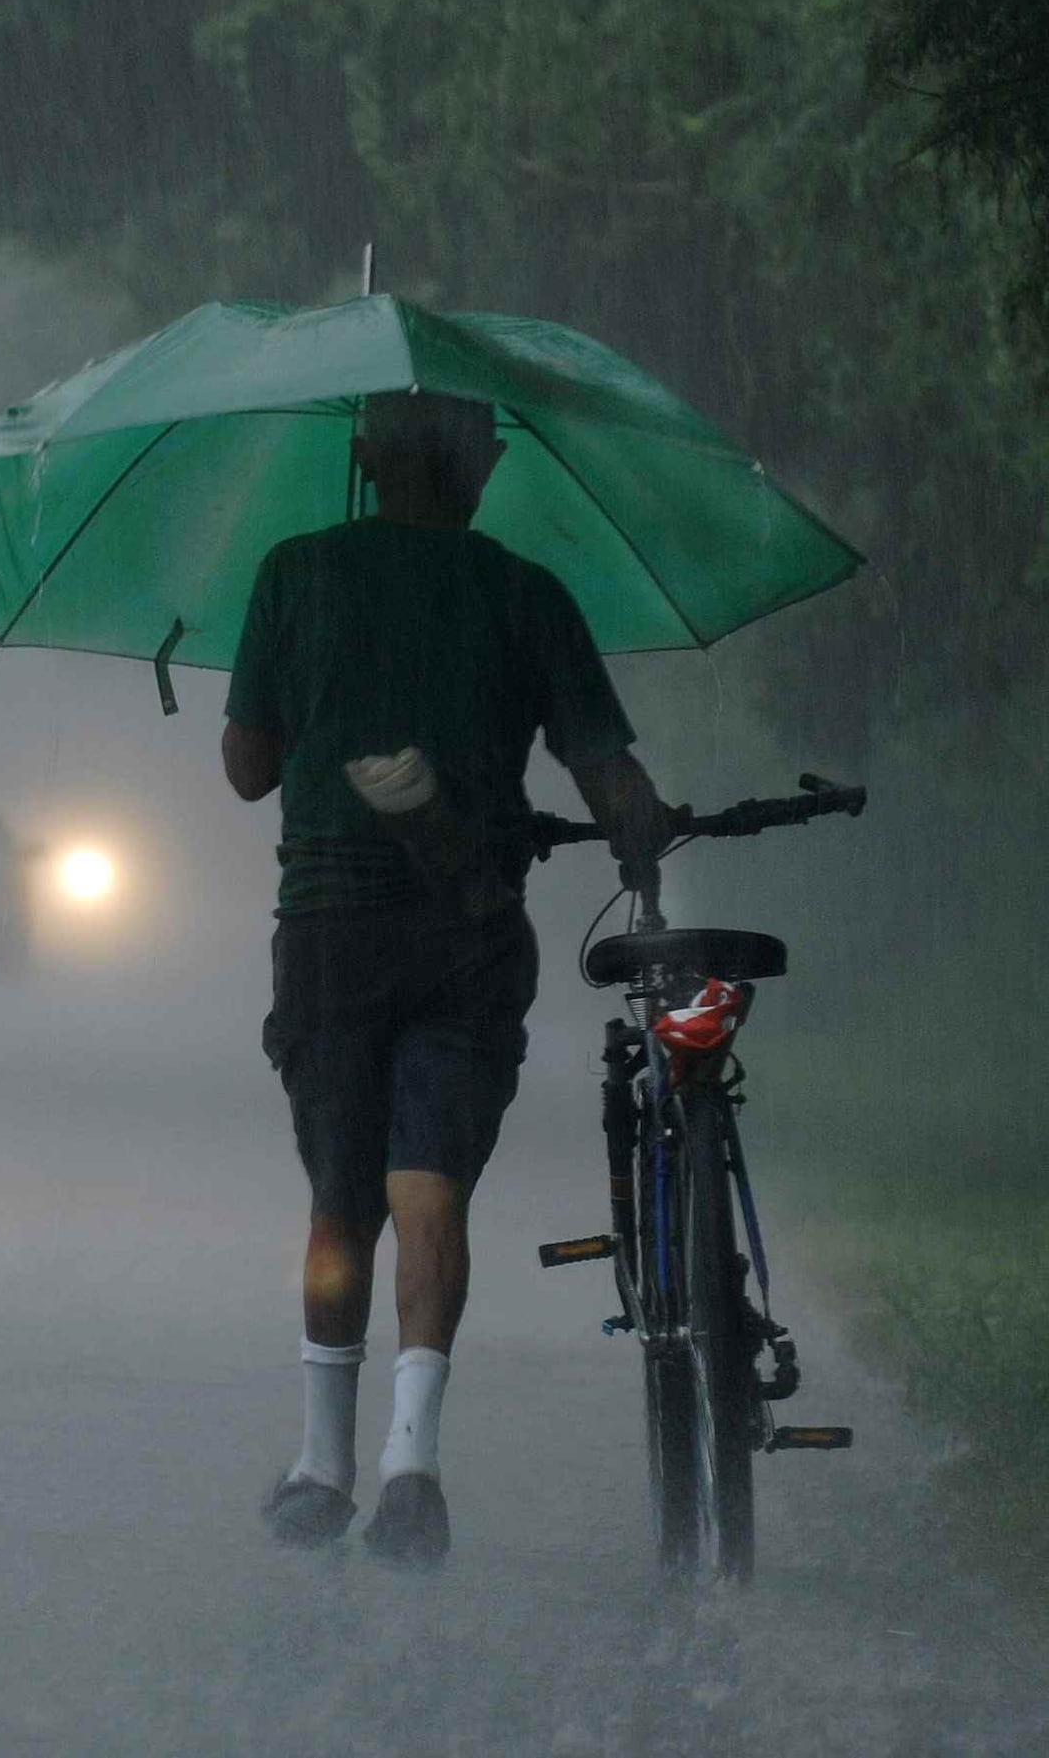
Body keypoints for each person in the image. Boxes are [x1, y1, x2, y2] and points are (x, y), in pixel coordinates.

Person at [221, 391, 675, 1565]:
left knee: (340, 1201)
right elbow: (606, 771)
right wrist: (642, 834)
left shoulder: (293, 570)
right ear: (477, 469)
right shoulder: (524, 592)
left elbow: (244, 769)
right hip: (466, 932)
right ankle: (409, 1461)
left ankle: (321, 1463)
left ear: (365, 461)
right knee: (429, 1193)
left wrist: (319, 684)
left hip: (329, 931)